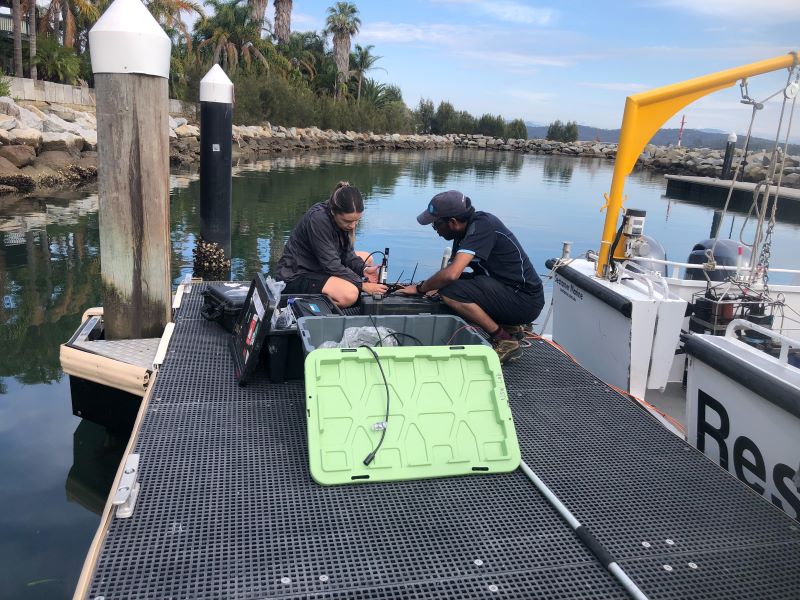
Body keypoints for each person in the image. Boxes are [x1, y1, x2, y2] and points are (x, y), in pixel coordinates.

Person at [400, 190, 544, 363]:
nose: (435, 230)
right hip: (508, 293)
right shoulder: (462, 234)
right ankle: (510, 326)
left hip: (525, 300)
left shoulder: (482, 226)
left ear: (452, 222)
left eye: (436, 225)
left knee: (452, 292)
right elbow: (451, 272)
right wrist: (431, 289)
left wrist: (419, 288)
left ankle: (505, 339)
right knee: (445, 289)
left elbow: (451, 275)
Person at [276, 182, 387, 307]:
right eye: (348, 221)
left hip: (318, 265)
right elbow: (331, 264)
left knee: (367, 258)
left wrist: (364, 270)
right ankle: (298, 306)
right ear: (334, 211)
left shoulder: (341, 220)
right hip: (297, 275)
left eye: (357, 220)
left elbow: (347, 255)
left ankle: (335, 289)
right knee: (350, 295)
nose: (353, 225)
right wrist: (362, 285)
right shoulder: (318, 220)